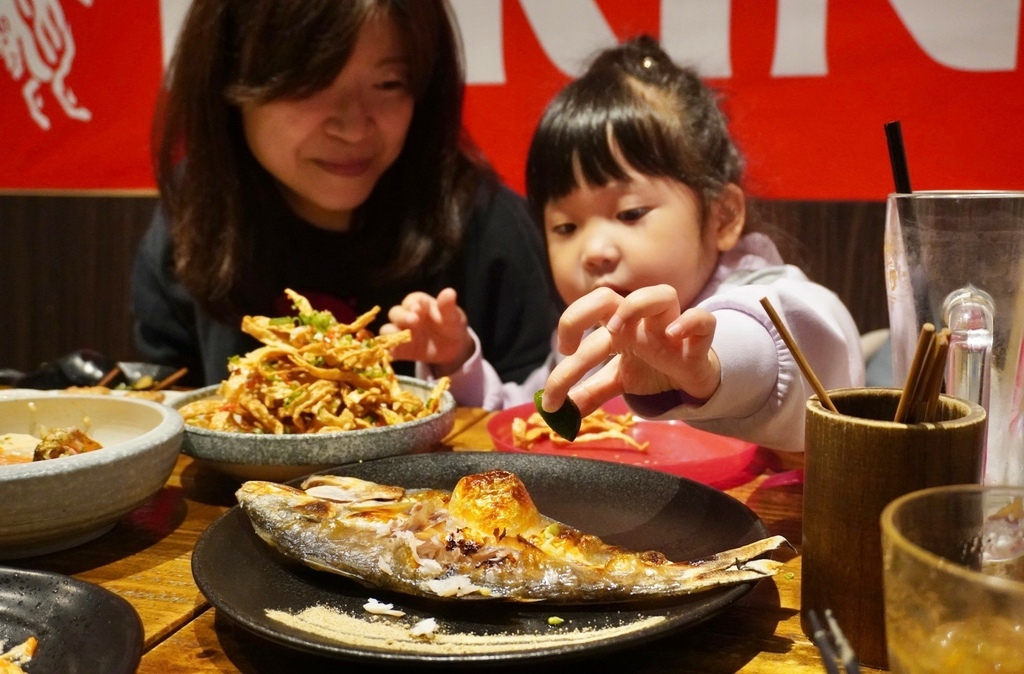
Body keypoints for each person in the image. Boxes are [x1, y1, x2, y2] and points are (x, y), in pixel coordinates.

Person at [385, 35, 864, 452]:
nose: (594, 250)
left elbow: (817, 351)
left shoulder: (761, 293)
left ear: (723, 215)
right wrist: (456, 364)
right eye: (565, 228)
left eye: (630, 213)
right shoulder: (590, 338)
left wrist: (708, 365)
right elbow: (529, 419)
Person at [131, 0, 557, 387]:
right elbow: (172, 414)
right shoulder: (194, 219)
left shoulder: (488, 225)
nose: (353, 127)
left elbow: (536, 429)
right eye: (312, 81)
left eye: (389, 83)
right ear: (229, 82)